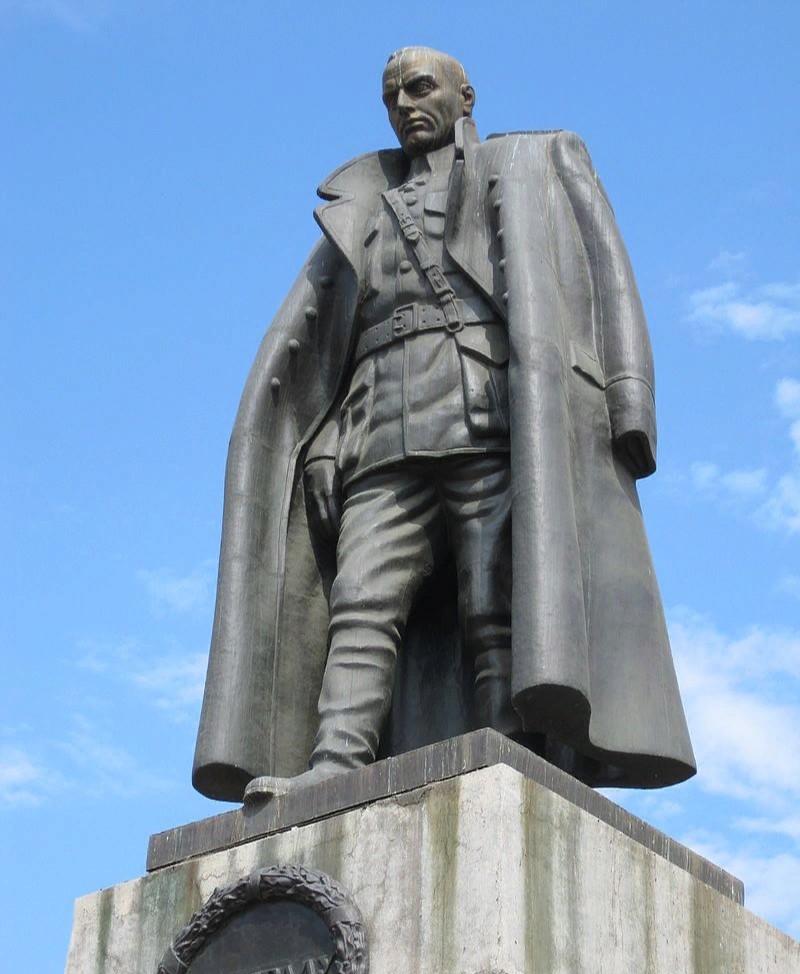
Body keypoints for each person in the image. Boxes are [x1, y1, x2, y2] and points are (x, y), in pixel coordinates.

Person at [192, 47, 696, 804]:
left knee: (494, 596)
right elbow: (332, 345)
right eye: (391, 96)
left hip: (485, 414)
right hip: (380, 427)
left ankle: (506, 748)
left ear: (466, 95)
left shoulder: (532, 161)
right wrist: (324, 439)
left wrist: (630, 397)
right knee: (360, 599)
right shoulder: (362, 205)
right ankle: (335, 763)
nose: (404, 105)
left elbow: (607, 272)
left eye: (420, 88)